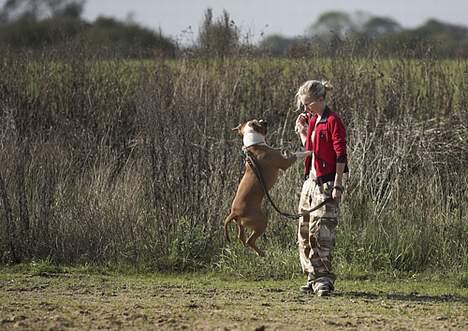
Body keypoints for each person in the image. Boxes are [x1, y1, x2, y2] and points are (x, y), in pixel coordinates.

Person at [294, 80, 348, 297]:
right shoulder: (314, 121)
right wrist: (302, 131)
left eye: (308, 104)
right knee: (305, 231)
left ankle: (323, 279)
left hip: (326, 184)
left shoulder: (333, 121)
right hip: (310, 182)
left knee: (321, 232)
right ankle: (311, 276)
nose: (306, 108)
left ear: (320, 99)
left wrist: (338, 185)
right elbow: (312, 150)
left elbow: (340, 154)